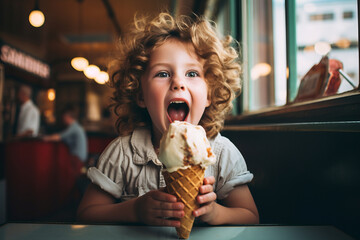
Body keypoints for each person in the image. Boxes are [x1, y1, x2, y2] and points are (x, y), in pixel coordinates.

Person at [77, 13, 259, 226]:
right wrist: (134, 210)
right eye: (162, 74)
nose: (178, 83)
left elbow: (250, 216)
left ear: (210, 94)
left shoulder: (221, 153)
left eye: (192, 74)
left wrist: (216, 214)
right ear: (140, 95)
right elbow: (86, 213)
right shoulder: (123, 153)